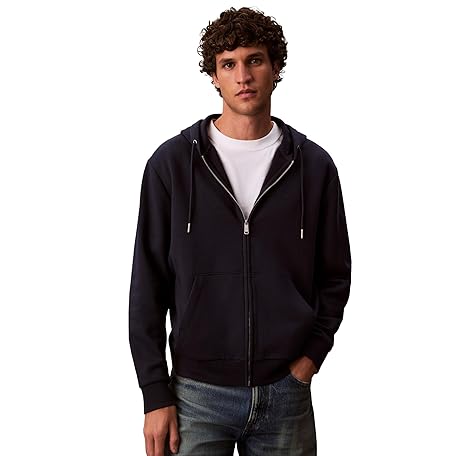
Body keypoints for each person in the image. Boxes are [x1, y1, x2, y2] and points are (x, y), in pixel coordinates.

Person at [128, 6, 352, 456]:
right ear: (214, 76)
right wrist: (154, 392)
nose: (243, 76)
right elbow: (148, 284)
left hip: (285, 392)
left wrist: (310, 358)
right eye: (228, 64)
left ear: (276, 68)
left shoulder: (313, 167)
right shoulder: (172, 165)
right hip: (195, 394)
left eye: (255, 60)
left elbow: (335, 275)